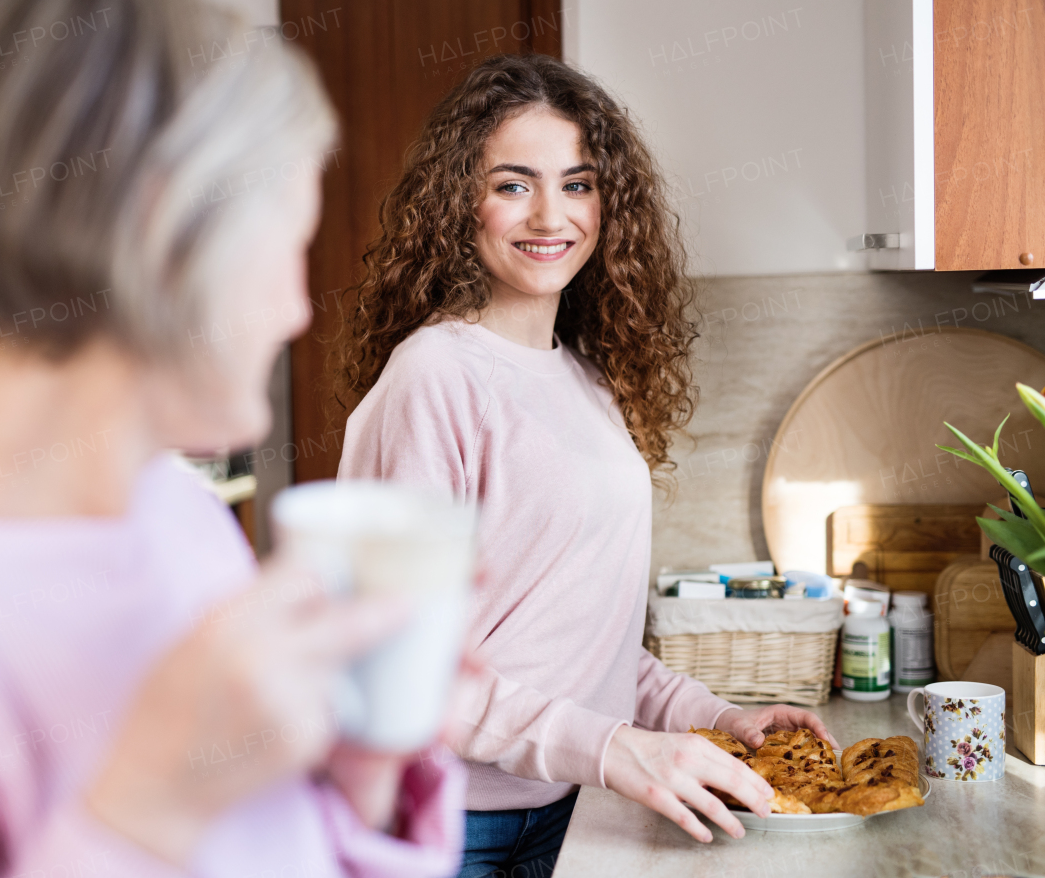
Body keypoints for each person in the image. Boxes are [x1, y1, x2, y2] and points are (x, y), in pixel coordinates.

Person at [0, 0, 464, 877]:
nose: (300, 309)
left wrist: (362, 764)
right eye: (289, 245)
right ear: (163, 231)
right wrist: (144, 809)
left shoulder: (179, 519)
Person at [333, 54, 835, 877]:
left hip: (567, 808)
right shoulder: (431, 379)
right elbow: (397, 669)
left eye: (577, 183)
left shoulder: (587, 378)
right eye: (512, 183)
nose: (548, 214)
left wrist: (713, 715)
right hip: (449, 822)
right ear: (461, 199)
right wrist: (615, 751)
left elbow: (579, 643)